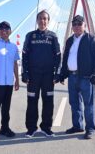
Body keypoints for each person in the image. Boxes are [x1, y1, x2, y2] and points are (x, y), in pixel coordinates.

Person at [59, 15, 95, 139]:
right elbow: (65, 58)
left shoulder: (91, 38)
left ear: (84, 25)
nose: (77, 26)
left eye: (79, 24)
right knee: (74, 103)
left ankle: (90, 128)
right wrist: (63, 74)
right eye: (74, 24)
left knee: (89, 104)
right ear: (72, 27)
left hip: (86, 77)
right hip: (72, 77)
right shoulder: (69, 40)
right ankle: (77, 125)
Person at [22, 10, 61, 138]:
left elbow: (58, 56)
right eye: (40, 18)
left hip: (48, 76)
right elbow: (24, 56)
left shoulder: (53, 36)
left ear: (48, 21)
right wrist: (25, 73)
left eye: (45, 18)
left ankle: (46, 128)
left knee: (48, 102)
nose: (42, 21)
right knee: (32, 101)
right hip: (33, 76)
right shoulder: (30, 36)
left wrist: (57, 74)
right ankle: (31, 128)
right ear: (37, 20)